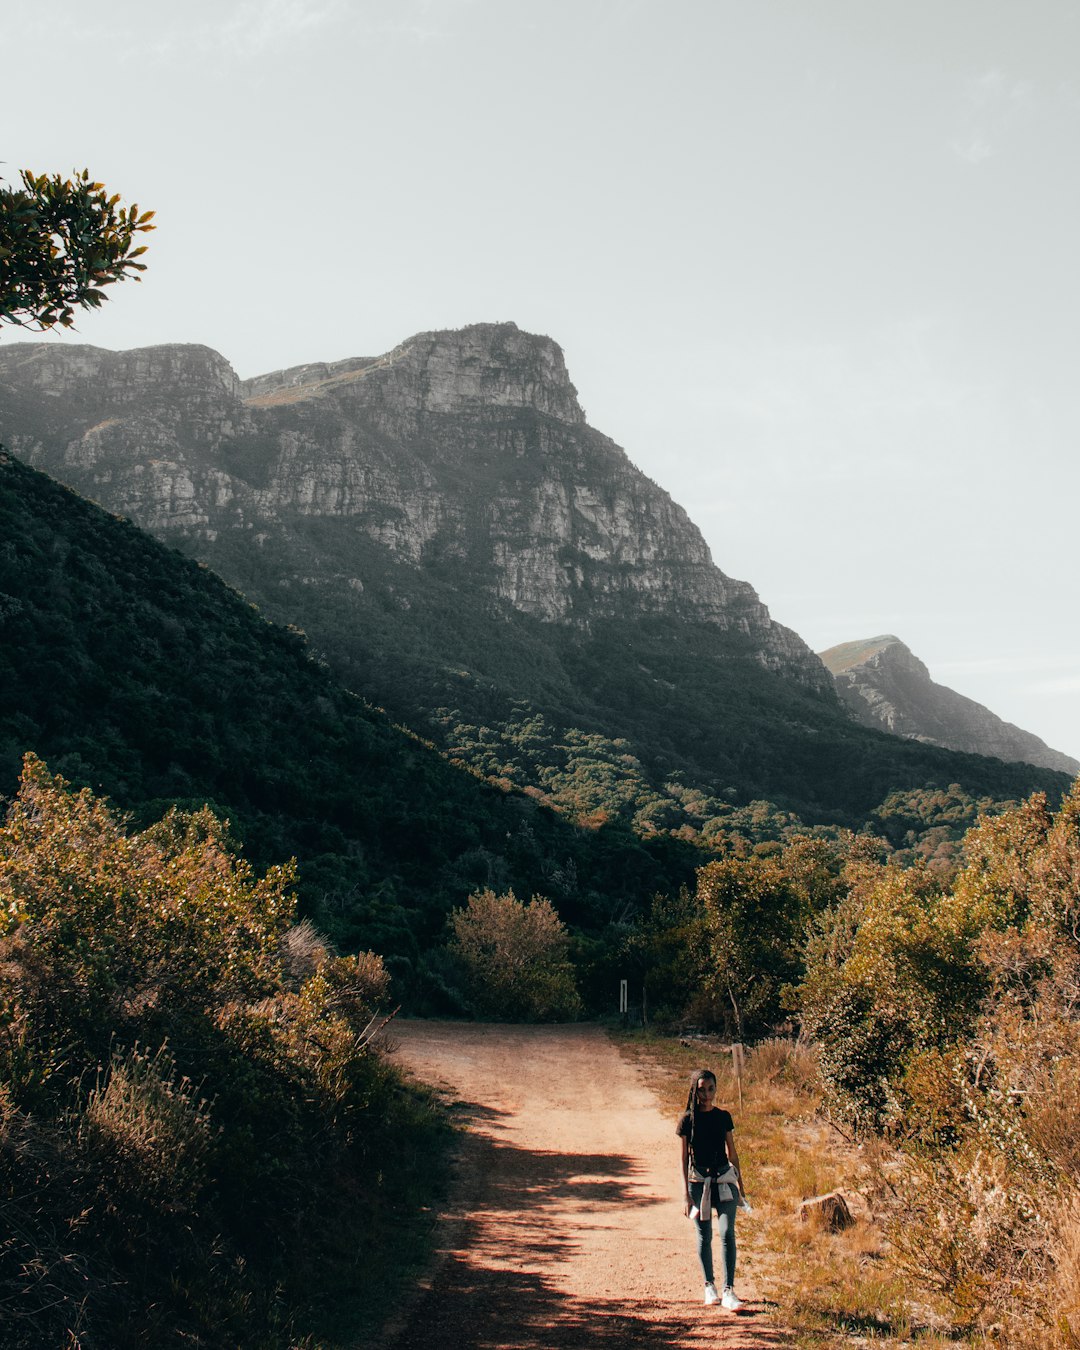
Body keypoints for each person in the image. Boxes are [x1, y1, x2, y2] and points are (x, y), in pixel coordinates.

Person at [676, 1067, 747, 1310]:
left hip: (724, 1180)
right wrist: (685, 1194)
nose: (706, 1095)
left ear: (716, 1089)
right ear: (694, 1092)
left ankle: (729, 1290)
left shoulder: (723, 1116)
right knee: (704, 1235)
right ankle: (710, 1286)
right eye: (701, 1090)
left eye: (710, 1089)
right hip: (699, 1183)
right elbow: (683, 1158)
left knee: (727, 1233)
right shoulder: (687, 1120)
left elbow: (733, 1152)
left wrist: (741, 1185)